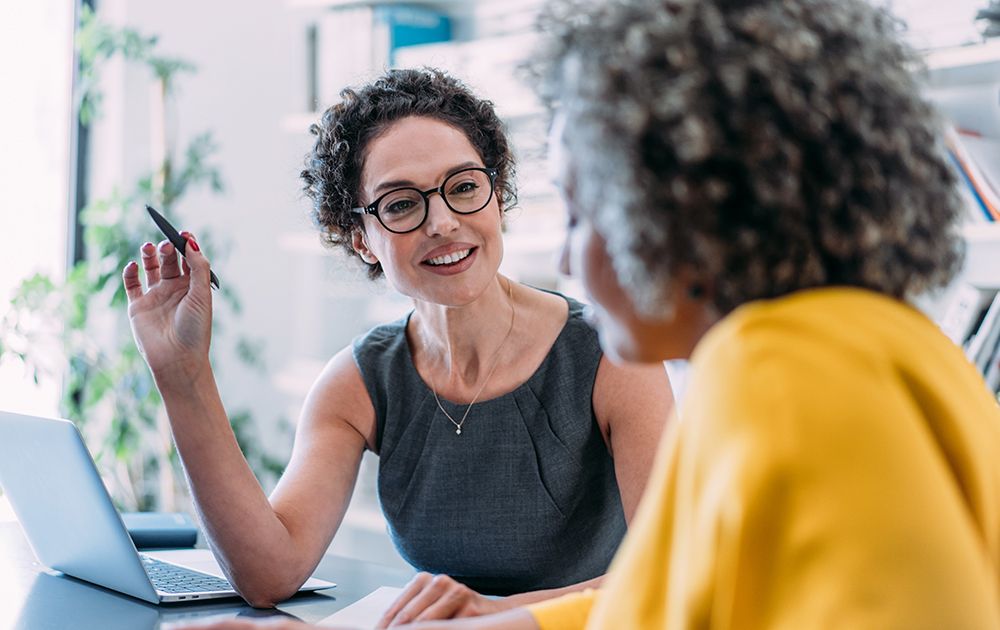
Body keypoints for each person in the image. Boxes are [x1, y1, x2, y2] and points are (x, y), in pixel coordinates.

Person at [178, 0, 1000, 628]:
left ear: (676, 206)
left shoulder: (778, 372)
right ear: (359, 237)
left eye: (579, 212)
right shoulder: (867, 342)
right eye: (400, 205)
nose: (567, 260)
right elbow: (669, 594)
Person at [121, 67, 673, 621]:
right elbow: (268, 573)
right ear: (361, 239)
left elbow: (674, 572)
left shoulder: (613, 355)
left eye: (463, 188)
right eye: (402, 204)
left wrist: (493, 615)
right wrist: (182, 372)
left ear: (497, 197)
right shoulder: (358, 382)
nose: (442, 222)